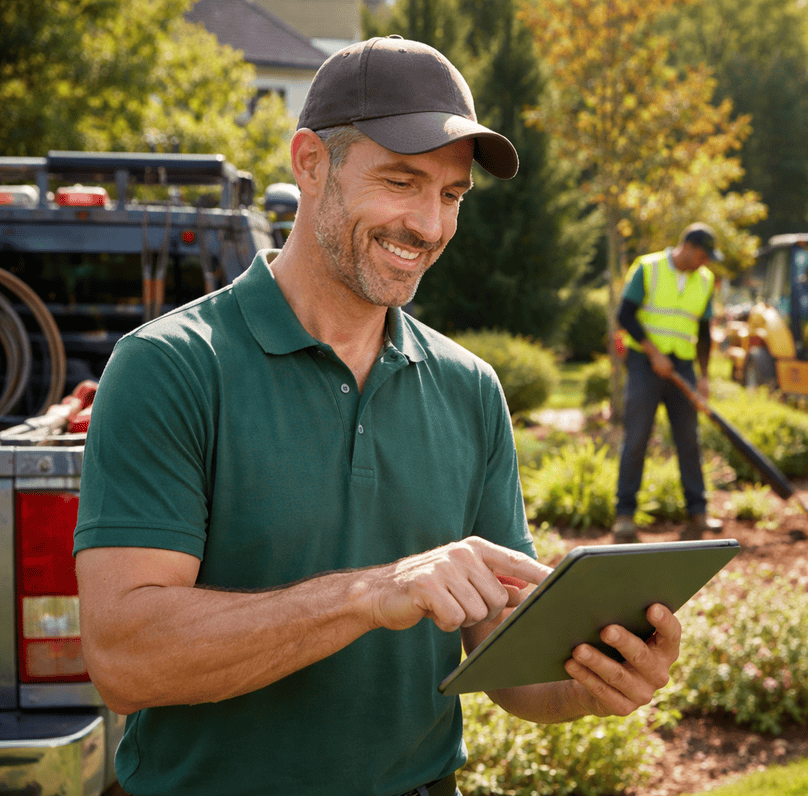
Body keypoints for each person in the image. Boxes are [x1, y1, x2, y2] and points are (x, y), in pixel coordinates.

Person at [72, 37, 681, 796]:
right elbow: (127, 663)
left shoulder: (469, 388)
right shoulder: (171, 367)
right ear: (310, 163)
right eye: (402, 181)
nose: (429, 225)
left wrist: (590, 683)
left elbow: (506, 660)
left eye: (451, 195)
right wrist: (369, 595)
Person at [613, 223, 723, 543]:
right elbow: (625, 315)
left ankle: (698, 512)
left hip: (683, 367)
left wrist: (703, 377)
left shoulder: (705, 280)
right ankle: (624, 515)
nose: (705, 262)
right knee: (636, 438)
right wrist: (653, 353)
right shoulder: (648, 268)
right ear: (687, 246)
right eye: (702, 255)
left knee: (689, 438)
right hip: (645, 365)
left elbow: (703, 332)